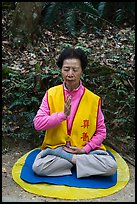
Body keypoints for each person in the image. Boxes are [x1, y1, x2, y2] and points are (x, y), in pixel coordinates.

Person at [32, 47, 117, 178]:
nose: (70, 74)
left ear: (82, 71)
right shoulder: (51, 94)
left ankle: (73, 161)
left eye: (75, 70)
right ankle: (80, 164)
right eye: (66, 69)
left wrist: (85, 149)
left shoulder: (93, 99)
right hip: (57, 150)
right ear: (61, 70)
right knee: (39, 167)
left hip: (85, 152)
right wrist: (62, 116)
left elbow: (101, 131)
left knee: (111, 166)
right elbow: (38, 124)